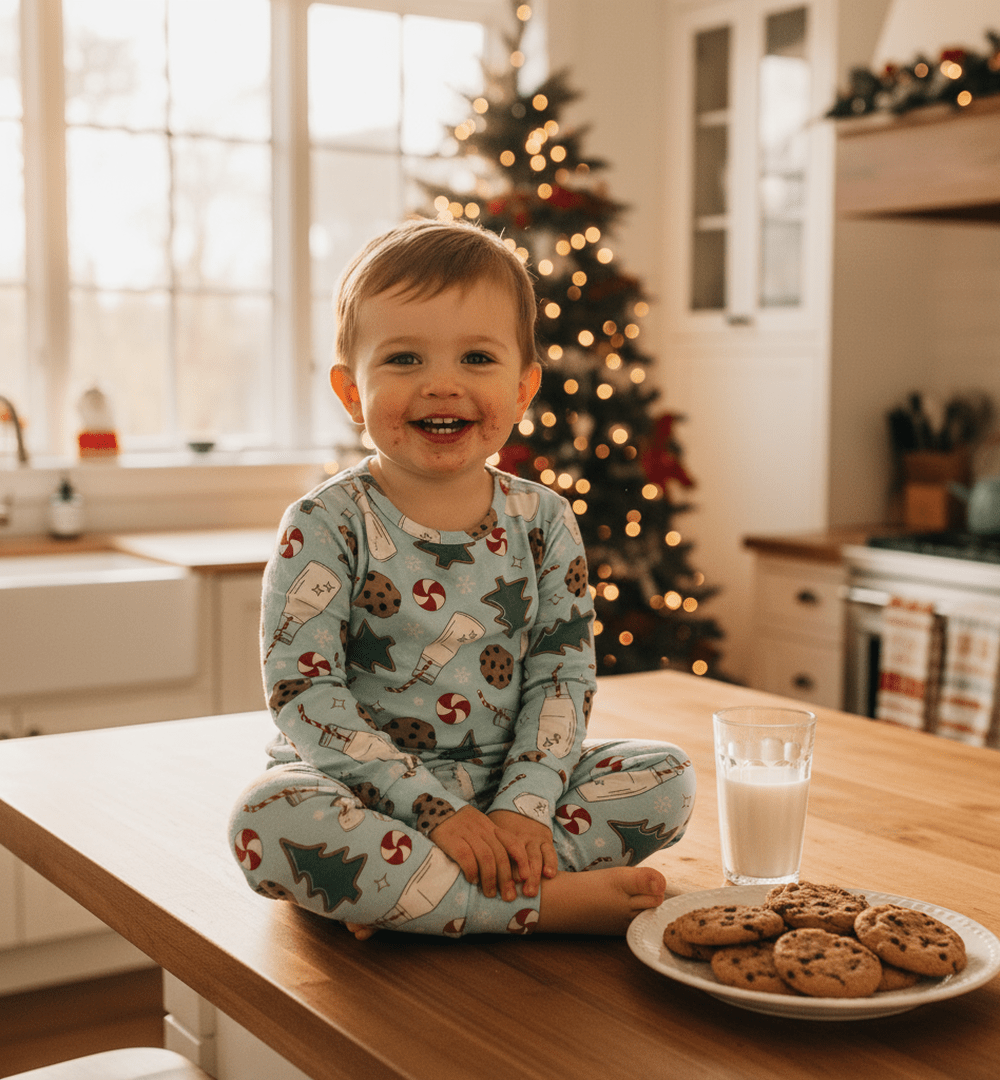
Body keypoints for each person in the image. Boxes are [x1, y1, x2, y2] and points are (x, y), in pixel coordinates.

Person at [227, 218, 696, 938]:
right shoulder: (324, 522)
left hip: (504, 780)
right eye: (405, 359)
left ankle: (411, 894)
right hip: (366, 791)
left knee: (666, 778)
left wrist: (524, 806)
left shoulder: (545, 521)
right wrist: (430, 812)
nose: (442, 385)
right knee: (265, 821)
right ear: (352, 393)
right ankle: (532, 903)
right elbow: (304, 693)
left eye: (477, 357)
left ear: (523, 387)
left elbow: (561, 678)